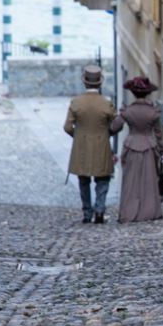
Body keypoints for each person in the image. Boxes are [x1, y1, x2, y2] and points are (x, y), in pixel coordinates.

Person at [64, 64, 118, 224]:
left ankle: (87, 213)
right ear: (100, 83)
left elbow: (67, 127)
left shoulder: (76, 103)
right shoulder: (106, 103)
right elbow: (115, 124)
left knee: (83, 179)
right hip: (102, 146)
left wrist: (78, 136)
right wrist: (108, 133)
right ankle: (100, 210)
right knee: (102, 180)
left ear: (85, 82)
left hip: (82, 147)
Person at [111, 76, 163, 223]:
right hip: (149, 145)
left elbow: (114, 127)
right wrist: (162, 150)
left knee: (130, 181)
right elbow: (159, 134)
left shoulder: (127, 111)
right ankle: (150, 211)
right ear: (147, 93)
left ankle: (129, 212)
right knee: (149, 181)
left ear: (133, 93)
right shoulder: (153, 112)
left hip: (131, 144)